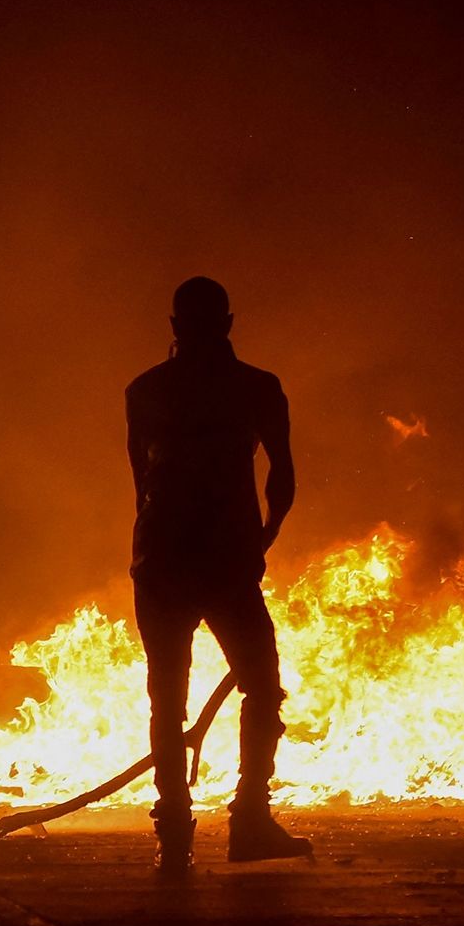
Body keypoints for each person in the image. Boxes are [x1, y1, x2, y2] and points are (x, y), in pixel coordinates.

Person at [126, 276, 311, 873]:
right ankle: (249, 822)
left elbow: (142, 483)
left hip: (163, 562)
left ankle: (175, 835)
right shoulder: (256, 387)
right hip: (226, 562)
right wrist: (265, 537)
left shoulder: (146, 390)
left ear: (174, 327)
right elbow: (281, 476)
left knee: (166, 698)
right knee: (261, 685)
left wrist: (158, 546)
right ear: (229, 323)